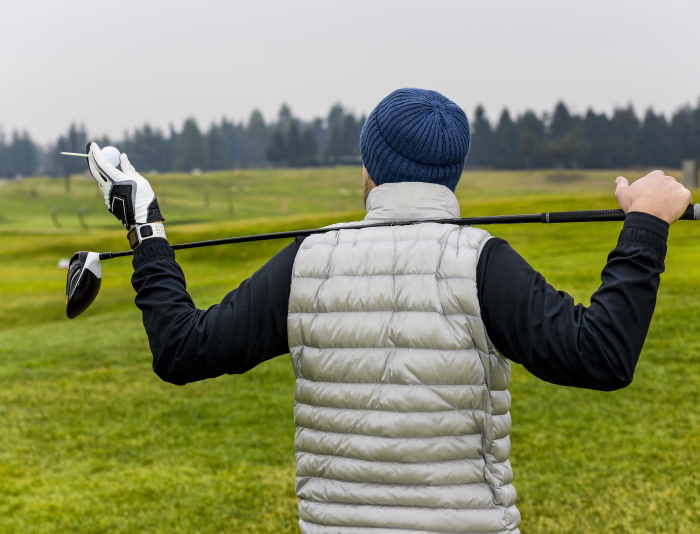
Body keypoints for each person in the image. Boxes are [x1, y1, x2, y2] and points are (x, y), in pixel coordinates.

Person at [85, 88, 691, 534]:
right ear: (453, 172)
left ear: (368, 168)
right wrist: (644, 226)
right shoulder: (483, 261)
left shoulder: (309, 259)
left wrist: (146, 227)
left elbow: (182, 350)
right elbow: (602, 356)